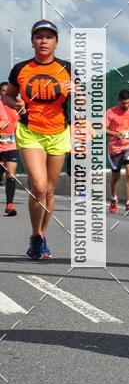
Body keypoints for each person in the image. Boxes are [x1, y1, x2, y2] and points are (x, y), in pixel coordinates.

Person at [4, 21, 72, 259]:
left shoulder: (67, 68)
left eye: (49, 37)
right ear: (32, 41)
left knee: (51, 190)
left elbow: (86, 102)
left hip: (58, 133)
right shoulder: (21, 69)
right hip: (31, 132)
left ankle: (42, 235)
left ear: (56, 42)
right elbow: (8, 96)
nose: (44, 41)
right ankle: (35, 235)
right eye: (39, 37)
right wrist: (16, 104)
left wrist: (77, 90)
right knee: (39, 187)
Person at [0, 81, 20, 216]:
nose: (7, 93)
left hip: (11, 145)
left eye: (9, 91)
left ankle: (9, 205)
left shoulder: (18, 106)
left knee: (11, 174)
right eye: (3, 91)